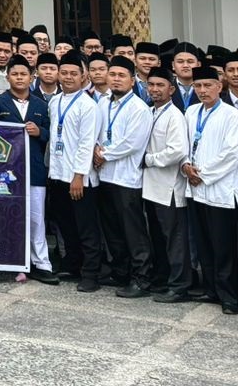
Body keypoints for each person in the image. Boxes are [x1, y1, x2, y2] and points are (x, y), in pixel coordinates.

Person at [182, 65, 238, 314]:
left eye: (208, 85)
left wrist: (203, 174)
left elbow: (232, 153)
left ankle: (229, 297)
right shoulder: (191, 112)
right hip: (195, 189)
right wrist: (186, 165)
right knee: (203, 243)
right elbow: (184, 144)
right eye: (198, 86)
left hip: (220, 191)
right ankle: (211, 289)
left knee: (223, 247)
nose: (203, 90)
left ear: (220, 87)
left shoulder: (231, 115)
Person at [95, 56, 154, 297]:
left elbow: (132, 143)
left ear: (132, 81)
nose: (116, 79)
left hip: (127, 179)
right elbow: (96, 131)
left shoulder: (139, 108)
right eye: (113, 75)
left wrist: (103, 153)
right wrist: (95, 150)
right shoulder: (102, 102)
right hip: (104, 176)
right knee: (113, 230)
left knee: (133, 231)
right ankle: (121, 271)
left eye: (122, 76)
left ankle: (142, 278)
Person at [0, 58, 54, 283]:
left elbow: (52, 134)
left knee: (37, 218)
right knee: (7, 216)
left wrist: (40, 132)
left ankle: (41, 263)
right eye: (15, 74)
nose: (19, 77)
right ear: (7, 77)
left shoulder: (41, 105)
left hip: (35, 169)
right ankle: (8, 261)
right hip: (4, 171)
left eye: (23, 74)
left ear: (32, 77)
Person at [47, 52, 105, 291]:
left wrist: (79, 175)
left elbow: (86, 143)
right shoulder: (54, 101)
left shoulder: (88, 106)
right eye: (64, 73)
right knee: (66, 224)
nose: (68, 77)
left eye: (74, 73)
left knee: (86, 227)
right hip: (57, 173)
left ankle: (91, 273)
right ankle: (74, 264)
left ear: (84, 77)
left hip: (78, 177)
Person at [140, 68, 191, 303]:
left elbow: (177, 151)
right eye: (151, 85)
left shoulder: (175, 116)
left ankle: (179, 285)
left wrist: (149, 159)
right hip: (150, 186)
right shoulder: (149, 111)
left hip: (169, 187)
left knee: (175, 239)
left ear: (171, 89)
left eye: (160, 85)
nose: (155, 90)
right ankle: (162, 279)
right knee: (158, 238)